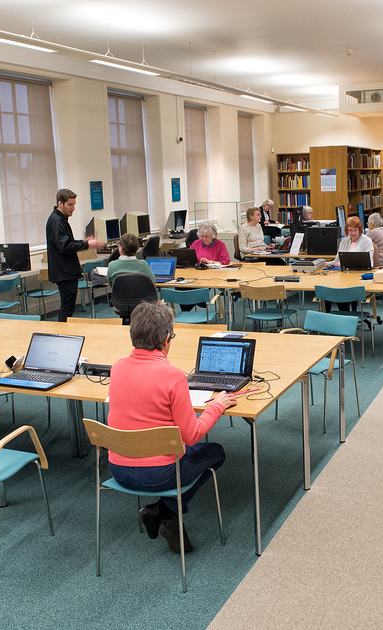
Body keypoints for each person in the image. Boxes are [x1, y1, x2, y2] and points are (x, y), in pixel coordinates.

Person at [106, 302, 237, 553]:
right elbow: (192, 435)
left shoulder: (117, 367)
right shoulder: (173, 376)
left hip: (118, 469)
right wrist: (216, 406)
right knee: (216, 452)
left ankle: (163, 512)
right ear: (166, 339)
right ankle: (164, 510)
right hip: (160, 474)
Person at [46, 189, 100, 322]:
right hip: (65, 272)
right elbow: (65, 247)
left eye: (74, 204)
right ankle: (63, 335)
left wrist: (84, 242)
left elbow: (67, 242)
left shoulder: (60, 220)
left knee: (68, 307)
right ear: (60, 203)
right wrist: (87, 245)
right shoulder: (57, 222)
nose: (73, 208)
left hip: (66, 271)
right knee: (67, 308)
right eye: (70, 204)